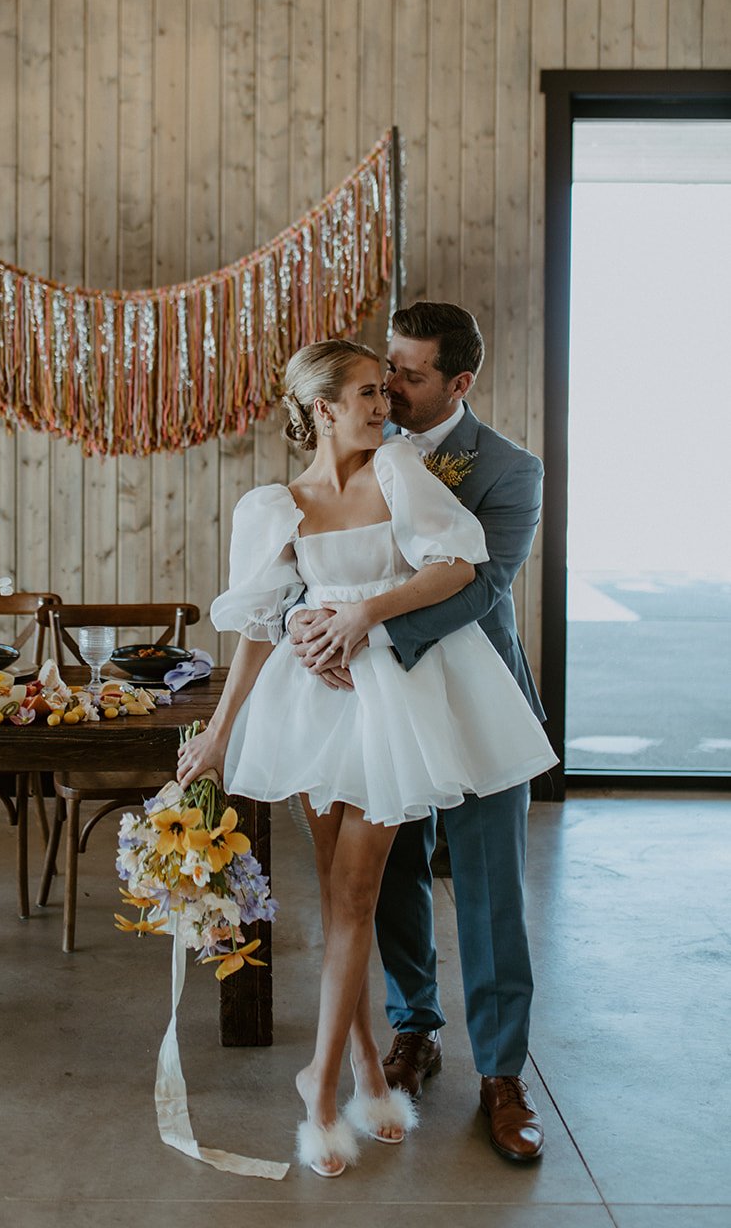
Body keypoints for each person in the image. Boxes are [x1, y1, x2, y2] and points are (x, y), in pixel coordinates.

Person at [177, 337, 556, 1178]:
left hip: (394, 700)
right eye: (368, 393)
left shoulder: (397, 470)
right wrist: (220, 731)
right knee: (337, 897)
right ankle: (356, 1069)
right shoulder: (272, 506)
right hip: (313, 706)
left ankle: (319, 1088)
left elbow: (458, 567)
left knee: (356, 895)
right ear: (321, 410)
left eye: (390, 390)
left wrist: (361, 616)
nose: (385, 407)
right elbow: (258, 627)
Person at [289, 302, 550, 1163]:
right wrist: (303, 623)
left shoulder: (508, 469)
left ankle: (502, 1075)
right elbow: (313, 559)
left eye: (409, 373)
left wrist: (362, 631)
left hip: (475, 703)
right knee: (392, 874)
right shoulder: (359, 439)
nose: (390, 386)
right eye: (386, 368)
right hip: (375, 706)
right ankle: (415, 1029)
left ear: (458, 382)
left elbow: (481, 585)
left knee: (489, 887)